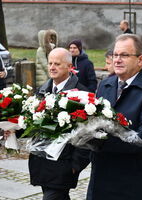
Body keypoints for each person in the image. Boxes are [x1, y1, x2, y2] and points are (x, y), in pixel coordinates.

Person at [87, 34, 142, 200]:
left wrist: (101, 141)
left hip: (132, 184)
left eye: (124, 55)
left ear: (140, 60)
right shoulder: (105, 85)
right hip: (101, 181)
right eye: (115, 55)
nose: (117, 60)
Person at [29, 48, 90, 200]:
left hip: (63, 164)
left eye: (57, 64)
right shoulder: (43, 90)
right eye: (50, 63)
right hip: (42, 161)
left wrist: (76, 165)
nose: (52, 67)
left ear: (70, 67)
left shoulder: (81, 94)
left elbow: (88, 133)